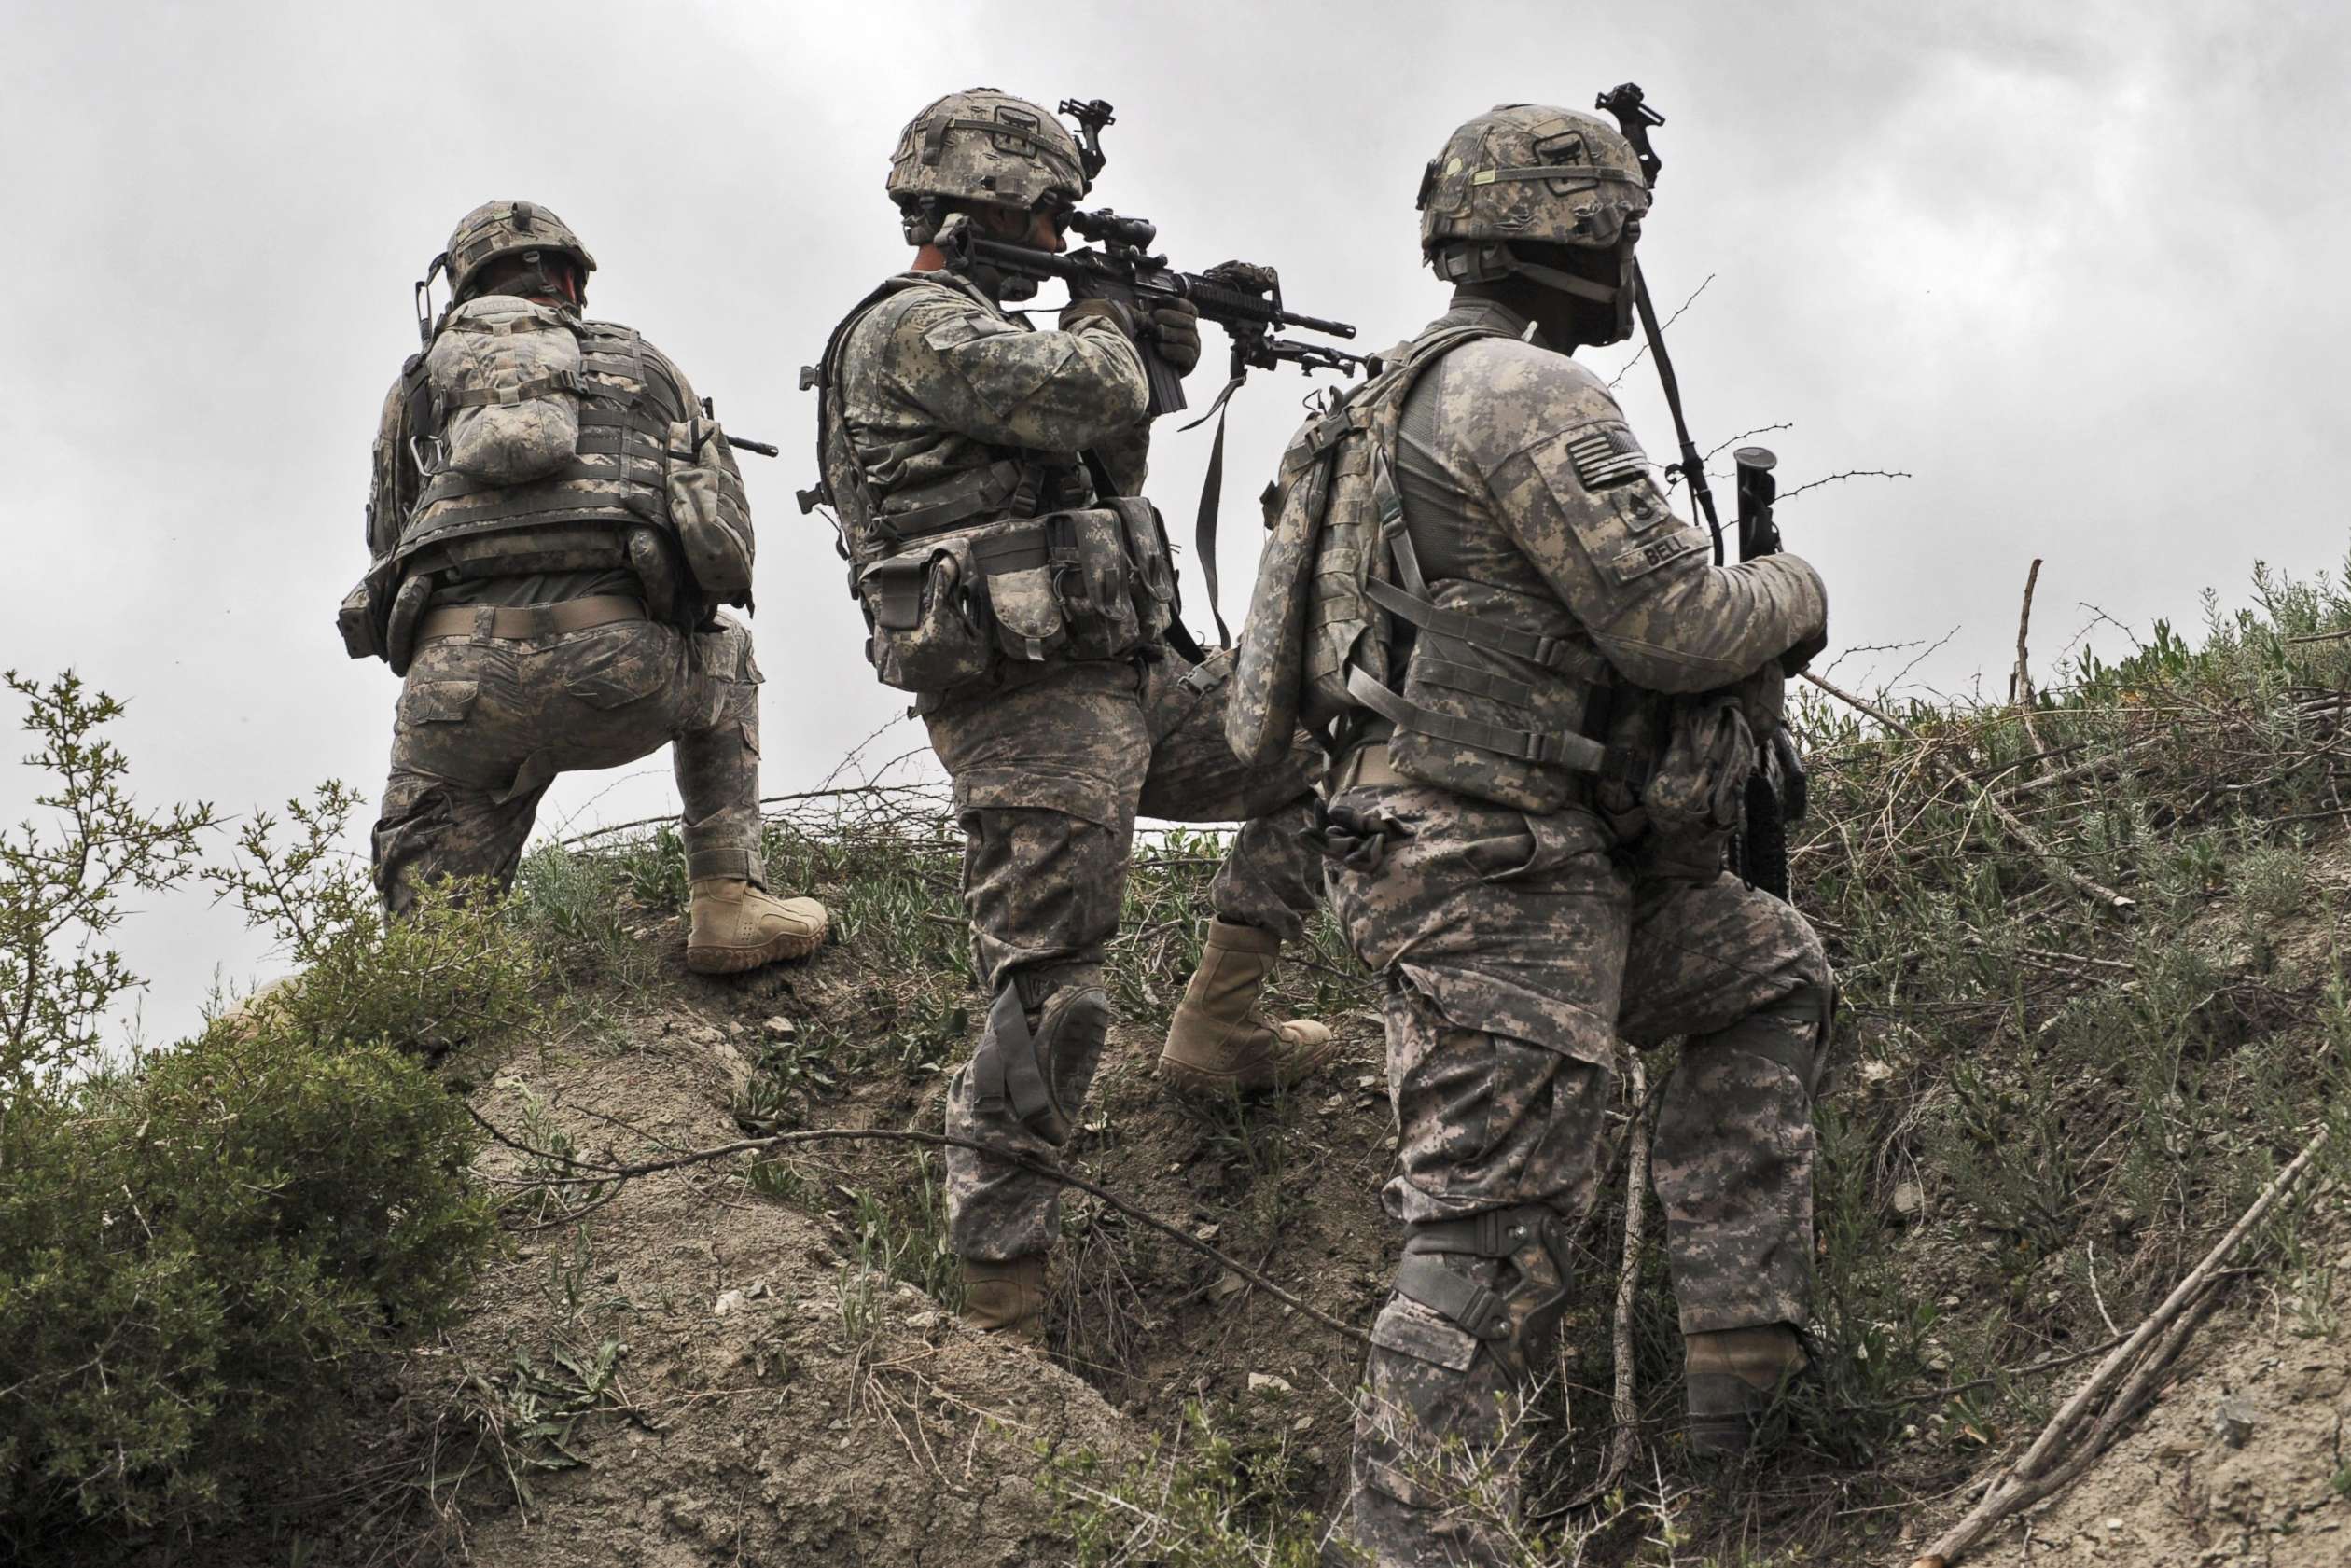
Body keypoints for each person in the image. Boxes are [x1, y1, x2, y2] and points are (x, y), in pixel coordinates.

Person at [1228, 104, 1833, 1562]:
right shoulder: (1524, 394)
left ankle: (1734, 1427)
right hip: (1491, 868)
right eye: (1620, 224)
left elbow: (1258, 711)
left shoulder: (1374, 407)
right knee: (1490, 1242)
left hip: (1525, 858)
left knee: (1761, 970)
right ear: (1586, 234)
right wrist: (1797, 590)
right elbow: (1678, 623)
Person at [812, 90, 1336, 1343]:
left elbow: (1100, 461)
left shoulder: (995, 330)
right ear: (986, 200)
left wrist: (1159, 339)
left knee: (1327, 749)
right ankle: (999, 1286)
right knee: (1053, 993)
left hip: (1130, 674)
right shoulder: (913, 327)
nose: (1059, 229)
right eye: (1048, 207)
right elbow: (1080, 391)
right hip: (1026, 706)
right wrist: (1120, 325)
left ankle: (1221, 1022)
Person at [349, 200, 828, 975]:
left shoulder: (416, 392)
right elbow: (721, 552)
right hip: (623, 670)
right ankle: (728, 901)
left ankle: (431, 980)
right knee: (727, 655)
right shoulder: (644, 364)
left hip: (456, 697)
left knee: (430, 966)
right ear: (570, 277)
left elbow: (388, 546)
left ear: (461, 290)